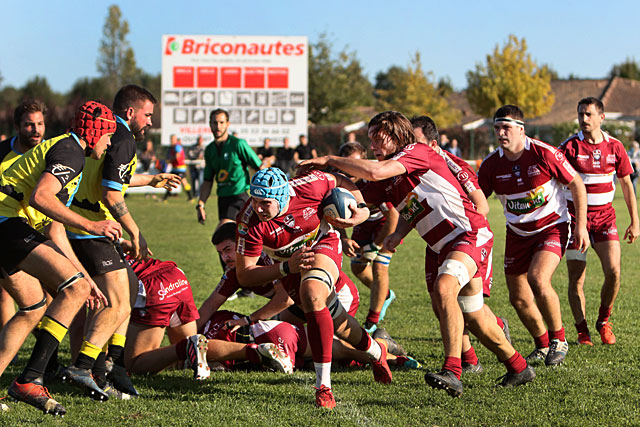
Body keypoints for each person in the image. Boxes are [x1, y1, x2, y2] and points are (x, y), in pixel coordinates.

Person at [299, 111, 534, 398]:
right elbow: (360, 198)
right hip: (442, 245)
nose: (372, 143)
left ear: (397, 134)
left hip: (469, 233)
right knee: (475, 316)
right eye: (369, 137)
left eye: (377, 136)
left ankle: (453, 371)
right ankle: (518, 366)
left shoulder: (416, 150)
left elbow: (373, 172)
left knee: (444, 288)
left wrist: (330, 160)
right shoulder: (390, 175)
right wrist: (327, 182)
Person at [235, 167, 392, 409]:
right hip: (287, 265)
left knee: (312, 295)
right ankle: (376, 352)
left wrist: (360, 209)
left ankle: (323, 387)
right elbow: (244, 274)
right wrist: (287, 268)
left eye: (265, 202)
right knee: (338, 321)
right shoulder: (249, 221)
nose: (258, 208)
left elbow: (341, 179)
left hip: (322, 242)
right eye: (254, 200)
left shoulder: (310, 185)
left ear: (281, 197)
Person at [0, 101, 120, 416]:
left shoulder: (65, 150)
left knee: (34, 307)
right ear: (94, 133)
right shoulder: (71, 151)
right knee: (74, 290)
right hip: (4, 223)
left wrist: (86, 277)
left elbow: (56, 232)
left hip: (8, 225)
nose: (108, 145)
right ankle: (30, 379)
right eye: (108, 137)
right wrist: (93, 225)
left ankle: (29, 378)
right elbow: (41, 197)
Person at [64, 85, 180, 401]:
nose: (151, 123)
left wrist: (151, 179)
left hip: (79, 225)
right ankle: (86, 367)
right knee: (116, 304)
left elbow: (112, 178)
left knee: (126, 293)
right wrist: (136, 232)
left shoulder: (104, 130)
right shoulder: (124, 137)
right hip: (92, 231)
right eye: (149, 115)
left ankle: (112, 366)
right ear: (131, 113)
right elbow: (111, 194)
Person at [478, 104, 589, 366]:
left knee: (539, 279)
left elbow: (576, 184)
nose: (501, 133)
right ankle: (541, 345)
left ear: (520, 129)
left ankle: (558, 340)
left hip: (552, 226)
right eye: (497, 128)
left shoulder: (543, 153)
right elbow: (477, 202)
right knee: (517, 297)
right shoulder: (491, 165)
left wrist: (581, 226)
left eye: (506, 127)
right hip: (517, 233)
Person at [411, 115, 508, 374]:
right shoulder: (409, 166)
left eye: (416, 142)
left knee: (467, 308)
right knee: (439, 304)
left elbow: (483, 205)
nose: (411, 149)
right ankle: (470, 359)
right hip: (436, 241)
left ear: (432, 144)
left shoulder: (452, 163)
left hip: (465, 239)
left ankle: (494, 336)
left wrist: (462, 221)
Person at [121, 252, 291, 377]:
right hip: (174, 274)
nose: (225, 257)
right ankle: (254, 351)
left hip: (151, 285)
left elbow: (286, 299)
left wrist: (247, 319)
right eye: (220, 252)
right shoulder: (108, 235)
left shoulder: (263, 259)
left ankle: (189, 347)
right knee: (187, 356)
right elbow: (209, 306)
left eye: (228, 249)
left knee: (136, 365)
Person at [558, 97, 639, 345]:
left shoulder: (615, 147)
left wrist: (635, 221)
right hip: (575, 221)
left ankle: (604, 321)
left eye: (589, 114)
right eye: (581, 114)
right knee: (577, 279)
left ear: (601, 118)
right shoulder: (569, 148)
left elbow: (626, 185)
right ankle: (582, 330)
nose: (584, 119)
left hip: (605, 218)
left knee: (614, 272)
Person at [336, 142, 398, 334]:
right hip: (362, 223)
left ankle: (372, 321)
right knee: (358, 267)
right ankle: (384, 294)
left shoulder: (374, 182)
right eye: (347, 164)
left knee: (379, 265)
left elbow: (393, 217)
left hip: (385, 223)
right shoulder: (336, 182)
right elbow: (332, 214)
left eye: (355, 164)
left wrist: (375, 245)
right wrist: (344, 239)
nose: (350, 170)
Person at [0, 99, 47, 335]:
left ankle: (43, 346)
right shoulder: (2, 153)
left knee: (49, 294)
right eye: (29, 125)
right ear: (17, 127)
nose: (36, 130)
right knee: (7, 293)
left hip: (43, 230)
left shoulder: (51, 154)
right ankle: (14, 348)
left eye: (40, 123)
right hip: (9, 232)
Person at [196, 109, 263, 228]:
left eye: (221, 122)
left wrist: (262, 196)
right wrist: (200, 204)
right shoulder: (210, 150)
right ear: (210, 124)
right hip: (222, 199)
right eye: (215, 123)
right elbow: (208, 180)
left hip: (239, 197)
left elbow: (260, 167)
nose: (218, 126)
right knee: (230, 241)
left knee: (222, 232)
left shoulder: (238, 144)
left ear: (228, 124)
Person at [164, 135, 193, 201]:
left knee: (183, 182)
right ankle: (165, 198)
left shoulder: (177, 146)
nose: (172, 140)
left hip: (180, 168)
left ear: (176, 139)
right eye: (171, 139)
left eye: (173, 139)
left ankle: (191, 197)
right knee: (170, 181)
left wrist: (170, 160)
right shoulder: (173, 147)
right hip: (175, 168)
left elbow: (177, 157)